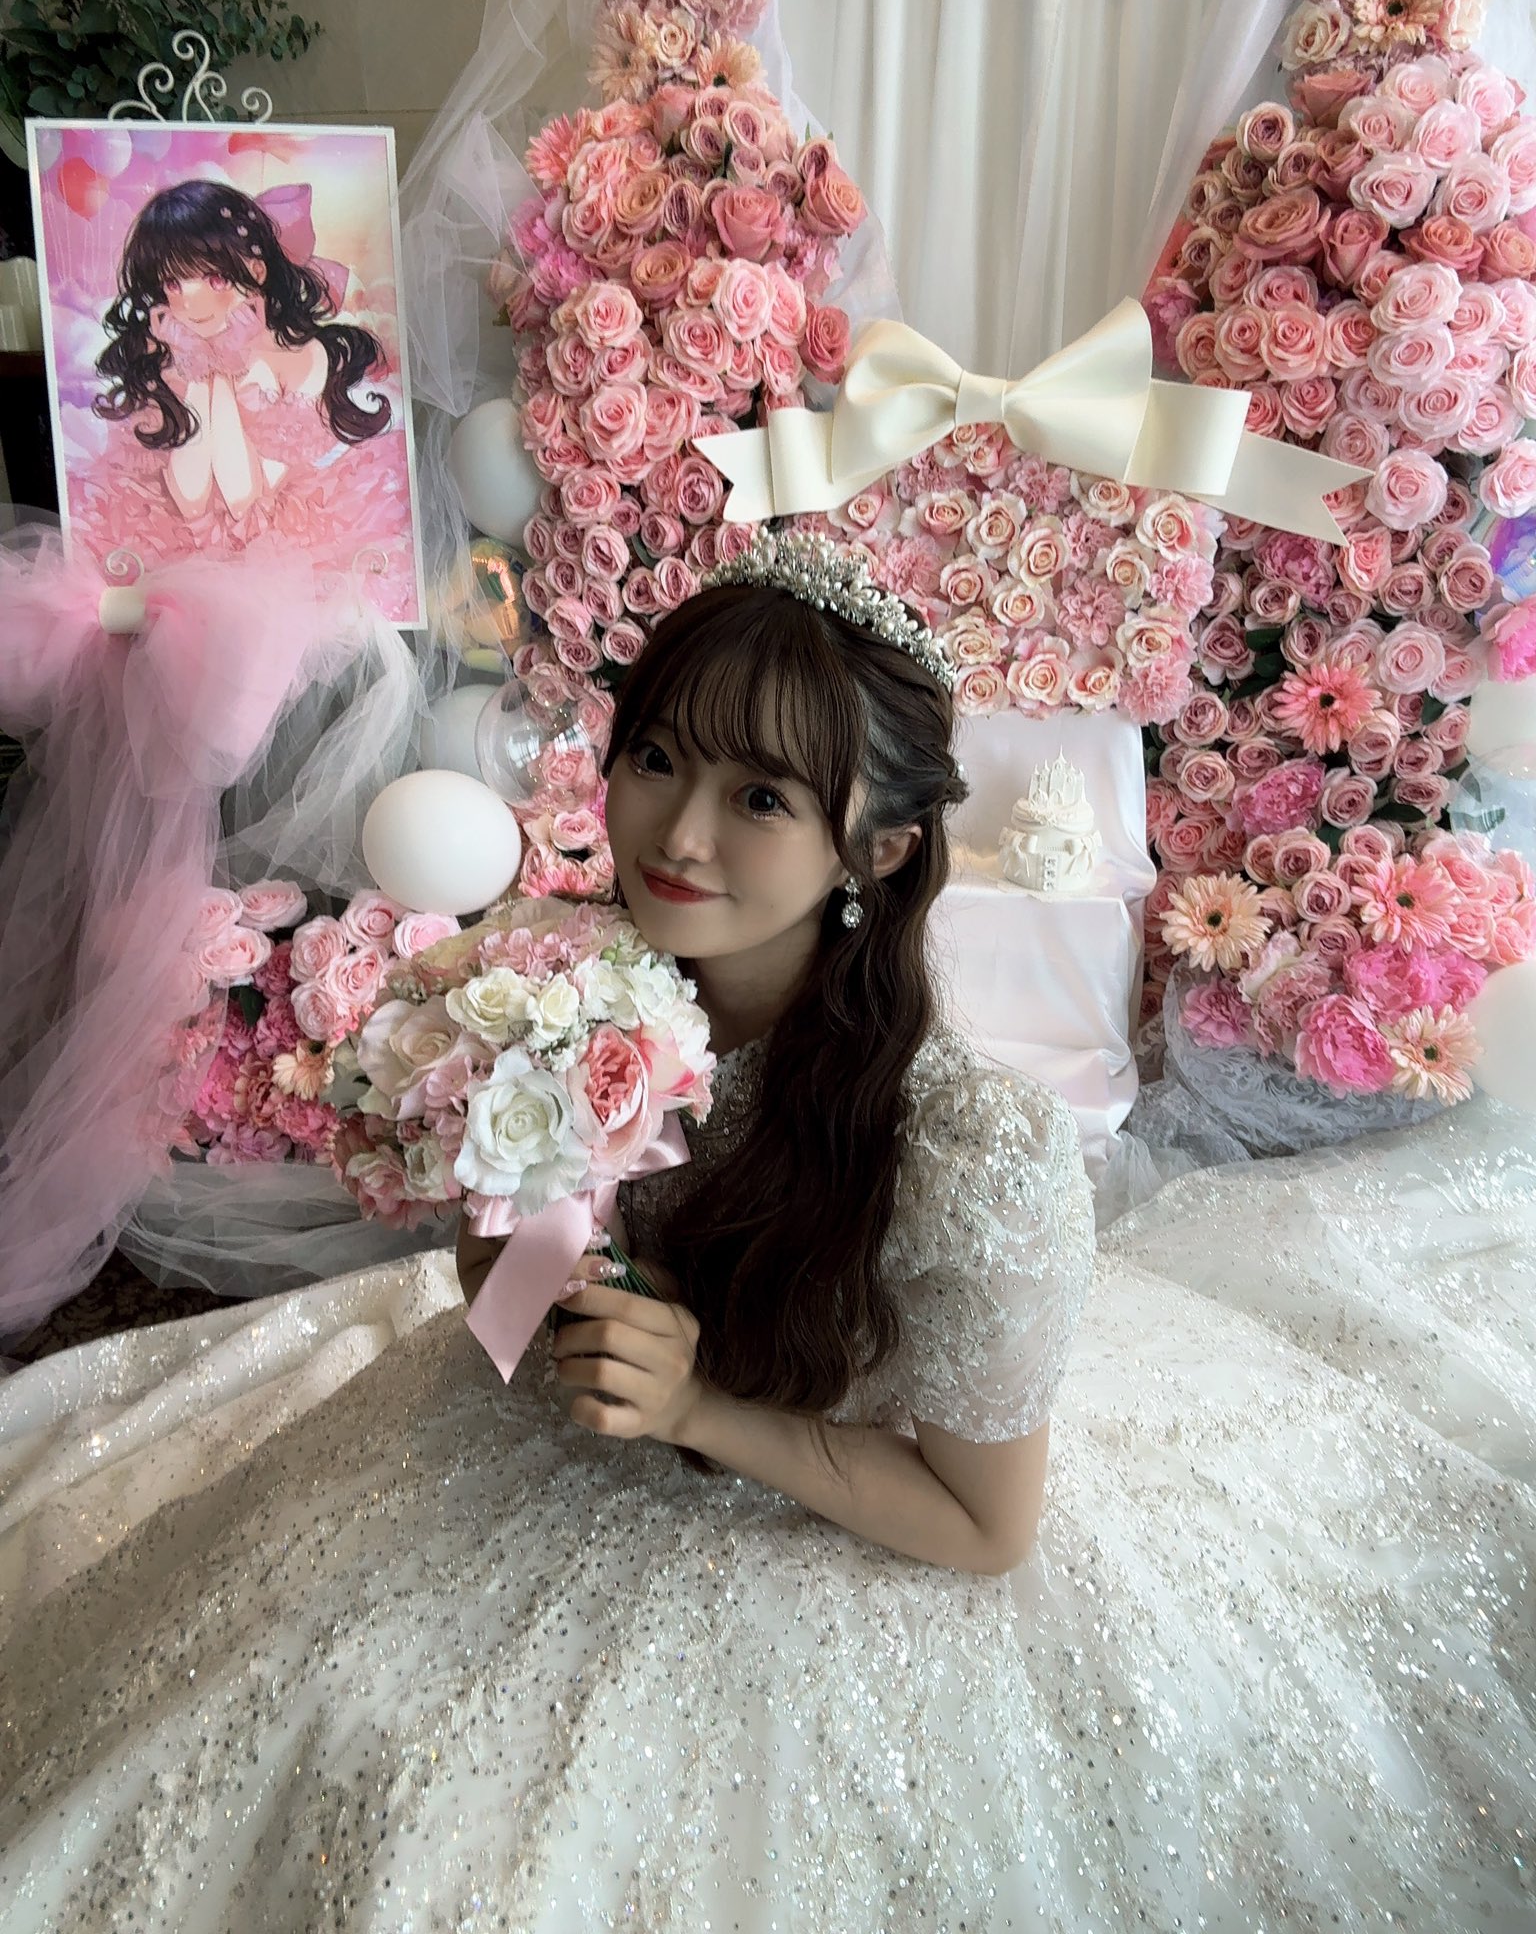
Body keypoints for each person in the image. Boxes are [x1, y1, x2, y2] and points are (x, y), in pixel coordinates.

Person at [1, 536, 1533, 1933]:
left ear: (878, 847)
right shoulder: (552, 994)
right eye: (658, 757)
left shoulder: (970, 1154)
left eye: (763, 797)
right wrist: (541, 1274)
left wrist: (698, 1408)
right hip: (561, 1438)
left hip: (835, 1523)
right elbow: (500, 1298)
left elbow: (987, 1530)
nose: (677, 832)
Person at [75, 179, 409, 592]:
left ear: (256, 272)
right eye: (173, 284)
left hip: (283, 544)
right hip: (182, 546)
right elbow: (191, 499)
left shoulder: (294, 357)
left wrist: (227, 365)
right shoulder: (171, 359)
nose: (191, 302)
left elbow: (242, 500)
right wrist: (201, 368)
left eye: (214, 279)